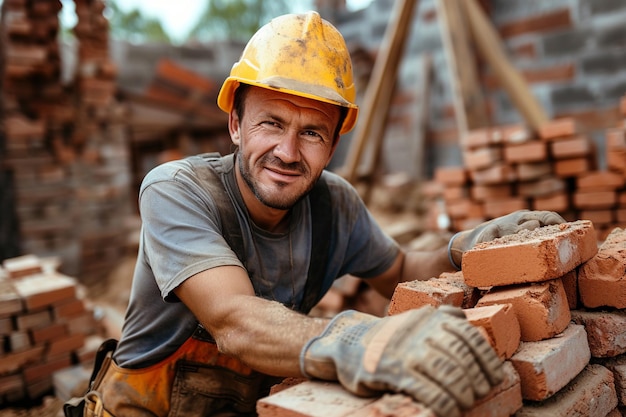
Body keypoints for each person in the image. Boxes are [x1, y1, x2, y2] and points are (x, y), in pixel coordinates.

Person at [65, 11, 565, 417]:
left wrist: (468, 250)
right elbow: (233, 321)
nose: (287, 151)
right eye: (271, 123)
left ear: (333, 144)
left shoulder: (334, 205)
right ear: (236, 124)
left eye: (312, 132)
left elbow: (400, 273)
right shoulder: (178, 191)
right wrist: (366, 342)